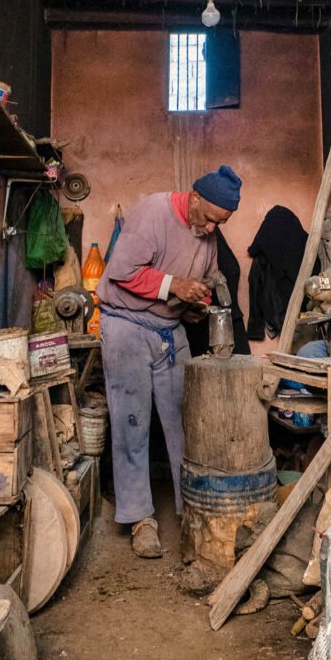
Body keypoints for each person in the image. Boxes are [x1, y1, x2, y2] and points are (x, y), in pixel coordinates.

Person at [97, 165, 242, 558]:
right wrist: (174, 285)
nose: (212, 229)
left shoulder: (207, 236)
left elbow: (209, 280)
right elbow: (121, 271)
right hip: (126, 325)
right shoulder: (152, 211)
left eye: (221, 223)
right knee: (132, 424)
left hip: (169, 328)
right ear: (194, 197)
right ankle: (141, 519)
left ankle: (190, 511)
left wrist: (197, 305)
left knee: (185, 420)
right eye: (210, 218)